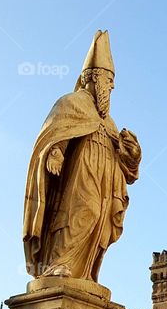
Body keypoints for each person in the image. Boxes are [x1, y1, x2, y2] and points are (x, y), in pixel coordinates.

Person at [23, 30, 141, 282]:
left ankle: (83, 274)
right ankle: (58, 263)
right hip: (81, 173)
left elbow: (127, 169)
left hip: (106, 181)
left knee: (99, 220)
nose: (112, 86)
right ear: (94, 77)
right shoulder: (71, 103)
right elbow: (57, 132)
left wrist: (133, 154)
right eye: (109, 80)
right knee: (82, 212)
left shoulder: (109, 121)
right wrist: (55, 151)